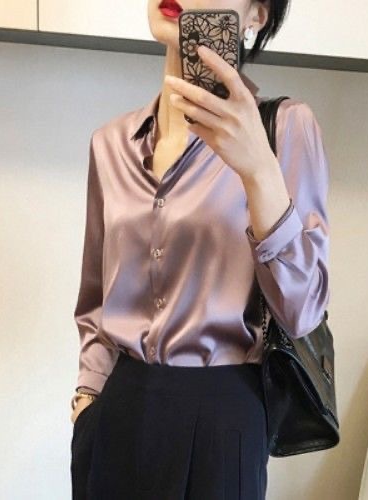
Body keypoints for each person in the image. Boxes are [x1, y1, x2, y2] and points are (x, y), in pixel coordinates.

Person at [70, 0, 330, 498]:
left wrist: (258, 171)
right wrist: (87, 398)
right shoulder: (110, 144)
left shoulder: (285, 129)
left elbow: (303, 312)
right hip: (117, 414)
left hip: (221, 422)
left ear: (255, 15)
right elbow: (96, 298)